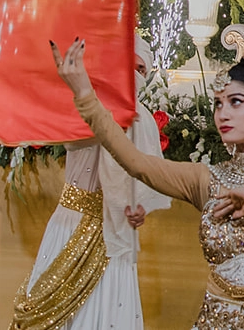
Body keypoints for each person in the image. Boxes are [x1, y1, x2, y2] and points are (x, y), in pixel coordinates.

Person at [53, 44, 244, 330]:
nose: (223, 114)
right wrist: (84, 95)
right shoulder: (207, 179)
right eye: (218, 104)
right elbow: (137, 164)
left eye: (236, 102)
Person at [11, 34, 172, 330]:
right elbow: (72, 138)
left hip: (115, 236)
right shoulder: (85, 109)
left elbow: (149, 176)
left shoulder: (144, 121)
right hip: (71, 222)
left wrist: (141, 207)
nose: (135, 76)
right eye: (130, 68)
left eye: (141, 71)